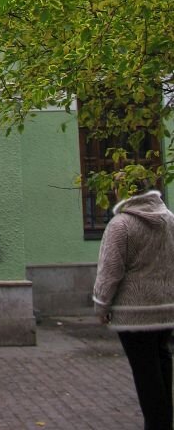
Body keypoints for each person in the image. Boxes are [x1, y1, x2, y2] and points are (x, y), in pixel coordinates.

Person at [93, 175, 174, 430]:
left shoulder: (121, 224)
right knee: (162, 364)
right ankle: (163, 422)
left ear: (123, 191)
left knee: (145, 372)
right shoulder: (169, 220)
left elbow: (110, 270)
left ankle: (157, 424)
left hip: (133, 312)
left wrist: (101, 305)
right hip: (166, 309)